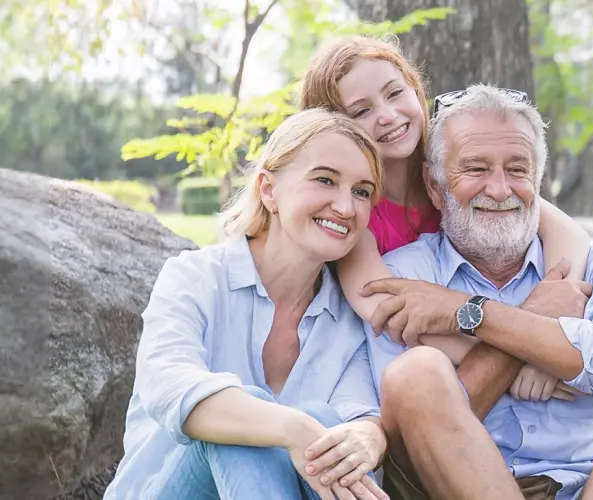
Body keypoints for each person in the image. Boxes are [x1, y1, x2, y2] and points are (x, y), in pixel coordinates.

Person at [359, 84, 593, 500]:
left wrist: (471, 313)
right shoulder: (404, 275)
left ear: (538, 179)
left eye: (517, 170)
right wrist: (532, 334)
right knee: (415, 372)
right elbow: (416, 421)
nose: (499, 189)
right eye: (476, 169)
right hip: (468, 487)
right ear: (435, 186)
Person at [104, 109, 390, 500]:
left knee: (330, 428)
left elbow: (359, 412)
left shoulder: (347, 317)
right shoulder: (194, 277)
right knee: (242, 418)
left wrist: (369, 436)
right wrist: (292, 428)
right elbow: (171, 388)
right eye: (325, 180)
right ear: (269, 190)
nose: (345, 206)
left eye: (362, 191)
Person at [300, 35, 591, 402]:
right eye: (361, 111)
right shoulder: (355, 210)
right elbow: (386, 311)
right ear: (337, 129)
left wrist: (555, 309)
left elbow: (569, 234)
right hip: (409, 369)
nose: (388, 116)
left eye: (394, 93)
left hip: (485, 331)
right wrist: (520, 359)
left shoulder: (455, 171)